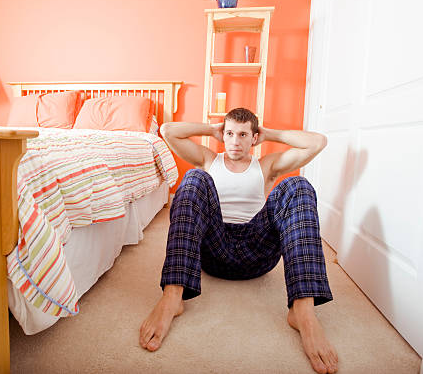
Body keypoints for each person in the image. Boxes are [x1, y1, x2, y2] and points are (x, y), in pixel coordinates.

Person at [138, 108, 338, 374]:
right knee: (194, 178)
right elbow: (167, 131)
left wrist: (271, 134)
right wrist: (211, 130)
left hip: (257, 248)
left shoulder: (266, 165)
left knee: (299, 186)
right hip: (214, 248)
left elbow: (318, 142)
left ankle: (302, 310)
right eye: (230, 133)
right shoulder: (209, 159)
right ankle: (173, 295)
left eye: (243, 135)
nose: (235, 141)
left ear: (254, 138)